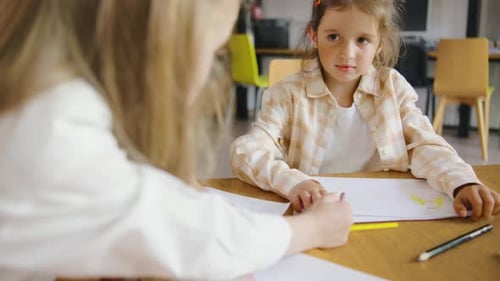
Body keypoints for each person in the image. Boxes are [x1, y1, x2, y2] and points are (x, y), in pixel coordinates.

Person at [0, 1, 353, 280]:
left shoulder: (41, 96)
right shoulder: (49, 130)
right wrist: (314, 228)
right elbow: (195, 238)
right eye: (215, 52)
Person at [230, 0, 500, 218]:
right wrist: (292, 183)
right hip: (316, 217)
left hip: (384, 213)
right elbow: (246, 153)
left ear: (379, 43)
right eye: (334, 37)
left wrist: (462, 182)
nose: (347, 53)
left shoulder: (392, 88)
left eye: (362, 40)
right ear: (314, 35)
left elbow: (424, 145)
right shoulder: (286, 94)